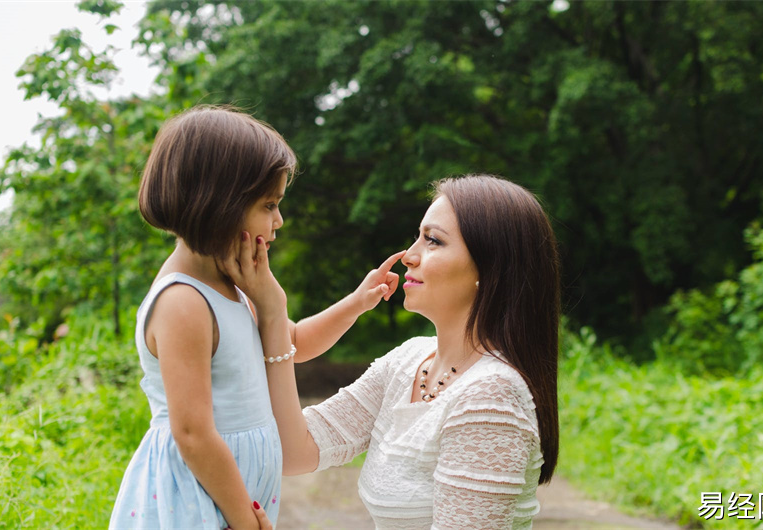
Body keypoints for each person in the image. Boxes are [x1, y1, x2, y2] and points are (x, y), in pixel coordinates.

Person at [109, 106, 402, 530]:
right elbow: (192, 434)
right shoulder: (184, 302)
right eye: (269, 205)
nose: (279, 220)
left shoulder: (238, 284)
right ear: (217, 203)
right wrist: (242, 518)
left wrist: (357, 302)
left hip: (232, 501)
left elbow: (295, 343)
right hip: (195, 501)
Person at [225, 174, 561, 528]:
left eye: (433, 241)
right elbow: (295, 451)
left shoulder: (490, 397)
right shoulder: (408, 361)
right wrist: (273, 315)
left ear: (490, 269)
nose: (409, 257)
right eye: (417, 237)